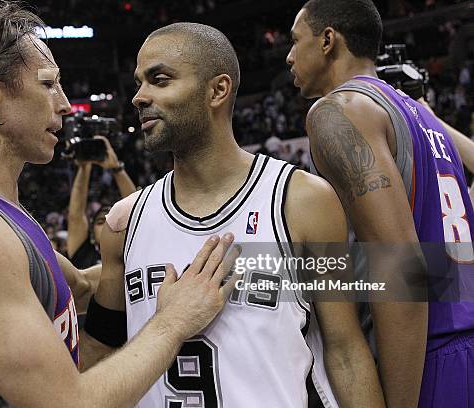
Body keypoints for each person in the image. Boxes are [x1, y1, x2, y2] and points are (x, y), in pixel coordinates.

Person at [0, 2, 241, 407]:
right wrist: (174, 321)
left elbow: (79, 287)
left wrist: (155, 235)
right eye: (48, 84)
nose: (64, 104)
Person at [83, 22, 384, 407]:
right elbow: (100, 356)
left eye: (159, 79)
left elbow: (345, 352)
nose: (139, 97)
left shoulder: (304, 201)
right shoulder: (124, 225)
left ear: (218, 90)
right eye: (140, 82)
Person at [286, 0, 474, 406]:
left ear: (327, 40)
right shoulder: (421, 115)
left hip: (426, 353)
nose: (288, 56)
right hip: (462, 333)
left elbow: (400, 263)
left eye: (294, 41)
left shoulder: (339, 111)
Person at [67, 137, 136, 268]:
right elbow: (75, 216)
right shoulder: (84, 253)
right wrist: (84, 167)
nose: (107, 224)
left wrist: (117, 169)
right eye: (100, 222)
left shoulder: (133, 251)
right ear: (92, 235)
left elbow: (136, 209)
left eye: (113, 220)